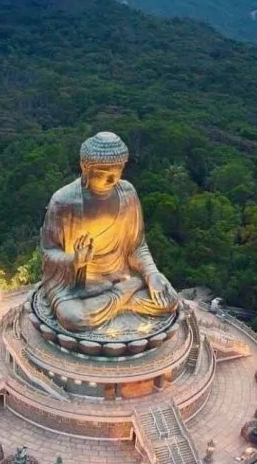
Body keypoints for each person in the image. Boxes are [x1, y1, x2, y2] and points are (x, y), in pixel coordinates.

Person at [38, 131, 177, 333]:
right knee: (73, 318)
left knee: (169, 299)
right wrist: (75, 260)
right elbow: (49, 251)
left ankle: (117, 299)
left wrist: (151, 273)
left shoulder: (127, 193)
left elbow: (137, 246)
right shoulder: (64, 202)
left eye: (118, 170)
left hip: (118, 275)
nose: (113, 179)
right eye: (104, 172)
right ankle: (125, 296)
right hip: (80, 285)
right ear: (85, 168)